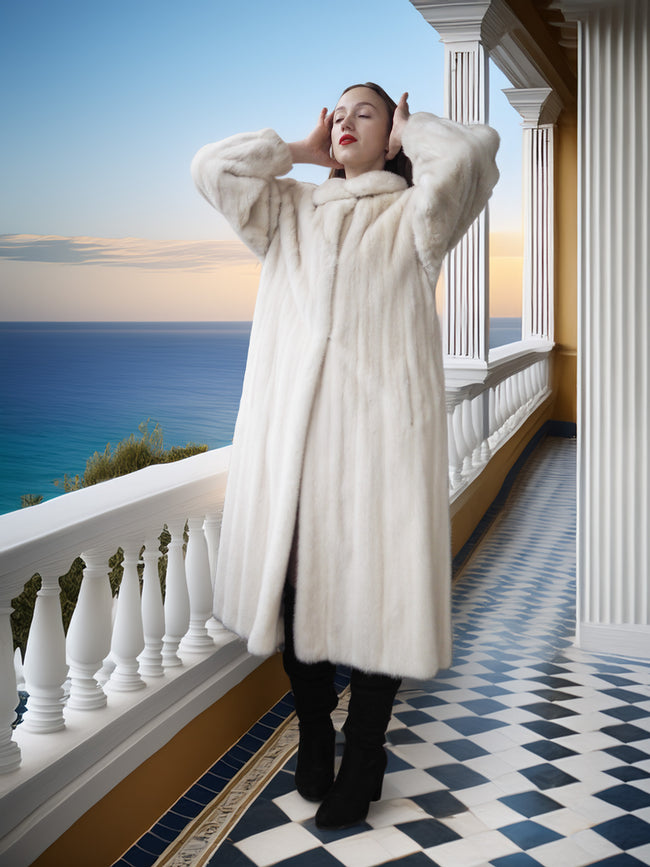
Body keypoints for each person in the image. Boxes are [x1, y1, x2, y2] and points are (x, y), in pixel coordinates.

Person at [191, 82, 499, 829]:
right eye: (338, 113)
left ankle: (365, 755)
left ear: (391, 128)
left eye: (366, 111)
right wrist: (296, 150)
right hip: (293, 450)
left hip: (382, 441)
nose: (347, 122)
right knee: (295, 600)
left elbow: (471, 157)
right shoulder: (290, 210)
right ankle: (316, 729)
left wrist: (409, 128)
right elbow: (211, 169)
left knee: (382, 598)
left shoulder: (416, 214)